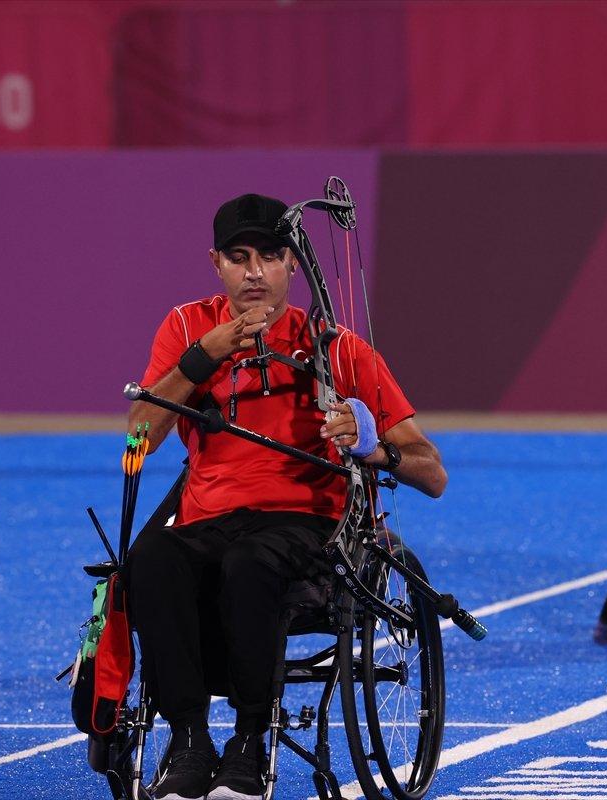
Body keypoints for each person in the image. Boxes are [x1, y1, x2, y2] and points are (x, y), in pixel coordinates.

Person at [124, 192, 447, 800]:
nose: (254, 272)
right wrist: (205, 357)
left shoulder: (337, 346)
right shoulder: (188, 329)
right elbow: (139, 437)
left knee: (252, 564)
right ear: (215, 262)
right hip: (209, 520)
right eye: (239, 257)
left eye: (270, 257)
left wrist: (372, 446)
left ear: (292, 264)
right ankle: (190, 741)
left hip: (305, 525)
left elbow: (433, 472)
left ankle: (251, 743)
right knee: (152, 561)